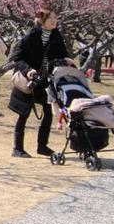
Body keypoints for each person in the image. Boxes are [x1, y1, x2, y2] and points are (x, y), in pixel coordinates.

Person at [8, 8, 75, 158]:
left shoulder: (55, 34)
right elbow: (16, 57)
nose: (54, 20)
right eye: (51, 18)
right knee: (23, 113)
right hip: (28, 79)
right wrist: (28, 70)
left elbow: (62, 53)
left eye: (55, 17)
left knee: (47, 112)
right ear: (42, 21)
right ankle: (17, 148)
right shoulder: (32, 35)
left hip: (45, 80)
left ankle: (42, 146)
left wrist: (66, 60)